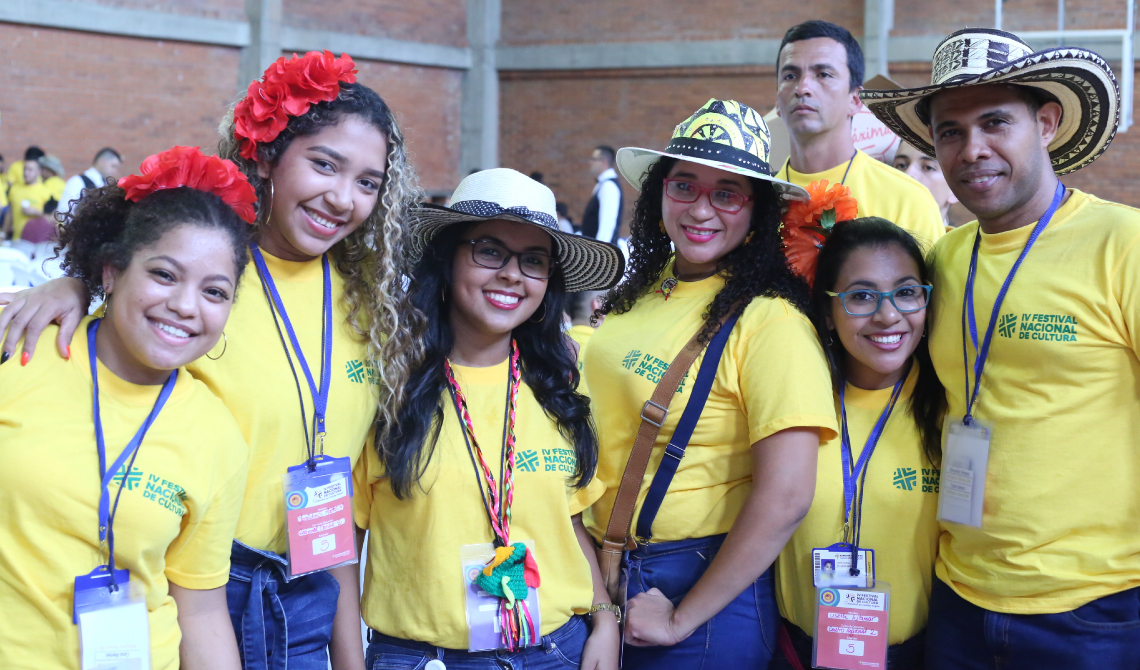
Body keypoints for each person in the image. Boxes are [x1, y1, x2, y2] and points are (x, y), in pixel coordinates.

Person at [0, 50, 420, 670]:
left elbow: (340, 491)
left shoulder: (370, 302)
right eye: (324, 165)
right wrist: (74, 283)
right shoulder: (210, 273)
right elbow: (129, 303)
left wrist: (347, 652)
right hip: (195, 583)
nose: (342, 198)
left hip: (308, 586)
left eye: (367, 182)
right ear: (270, 154)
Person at [863, 27, 1140, 669]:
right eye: (950, 132)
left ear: (1046, 122)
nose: (972, 149)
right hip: (959, 594)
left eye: (995, 123)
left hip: (1094, 609)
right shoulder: (944, 260)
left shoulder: (1120, 245)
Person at [584, 99, 838, 669]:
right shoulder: (644, 291)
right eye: (684, 186)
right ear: (659, 195)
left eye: (727, 193)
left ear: (758, 211)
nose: (701, 209)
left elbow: (789, 495)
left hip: (695, 595)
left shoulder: (771, 321)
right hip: (601, 576)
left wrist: (680, 617)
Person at [0, 146, 258, 669]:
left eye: (214, 291)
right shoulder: (19, 352)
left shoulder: (218, 436)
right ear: (112, 271)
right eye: (164, 274)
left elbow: (202, 611)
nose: (186, 306)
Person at [356, 168, 624, 669]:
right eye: (490, 251)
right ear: (448, 258)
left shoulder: (561, 384)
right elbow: (342, 552)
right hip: (426, 658)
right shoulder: (388, 386)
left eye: (533, 261)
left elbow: (568, 523)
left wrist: (605, 622)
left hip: (556, 651)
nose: (511, 274)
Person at [771, 218, 945, 670]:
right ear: (828, 311)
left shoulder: (951, 404)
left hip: (916, 654)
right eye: (862, 296)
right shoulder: (794, 396)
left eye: (906, 292)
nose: (888, 315)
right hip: (793, 652)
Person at [775, 20, 944, 249]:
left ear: (855, 100)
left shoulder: (906, 199)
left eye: (823, 74)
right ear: (777, 102)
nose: (802, 87)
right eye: (790, 76)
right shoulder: (753, 200)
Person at [893, 141, 959, 229]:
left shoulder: (964, 242)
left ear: (955, 191)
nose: (908, 174)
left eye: (928, 167)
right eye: (902, 165)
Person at [59, 147, 124, 216]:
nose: (115, 171)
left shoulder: (105, 184)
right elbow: (64, 211)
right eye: (113, 166)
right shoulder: (77, 181)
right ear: (101, 161)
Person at [4, 155, 53, 240]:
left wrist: (37, 213)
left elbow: (53, 218)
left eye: (30, 170)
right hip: (16, 240)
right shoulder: (15, 189)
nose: (26, 173)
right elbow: (10, 213)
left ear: (38, 172)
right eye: (24, 169)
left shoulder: (47, 192)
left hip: (37, 243)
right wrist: (3, 233)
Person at [582, 145, 623, 244]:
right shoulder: (602, 185)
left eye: (594, 159)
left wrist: (600, 255)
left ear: (604, 162)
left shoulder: (609, 186)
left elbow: (607, 227)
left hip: (601, 255)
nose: (590, 162)